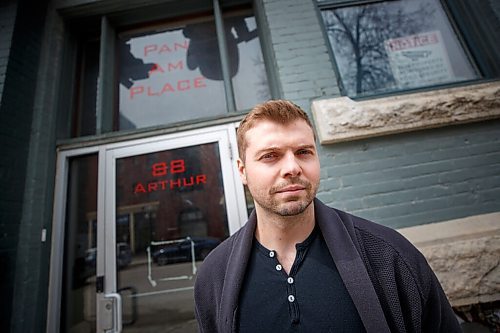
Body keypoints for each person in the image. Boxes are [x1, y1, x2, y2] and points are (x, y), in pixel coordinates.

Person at [194, 100, 461, 332]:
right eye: (270, 156)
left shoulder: (389, 256)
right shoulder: (215, 276)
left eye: (303, 152)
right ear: (242, 171)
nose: (292, 167)